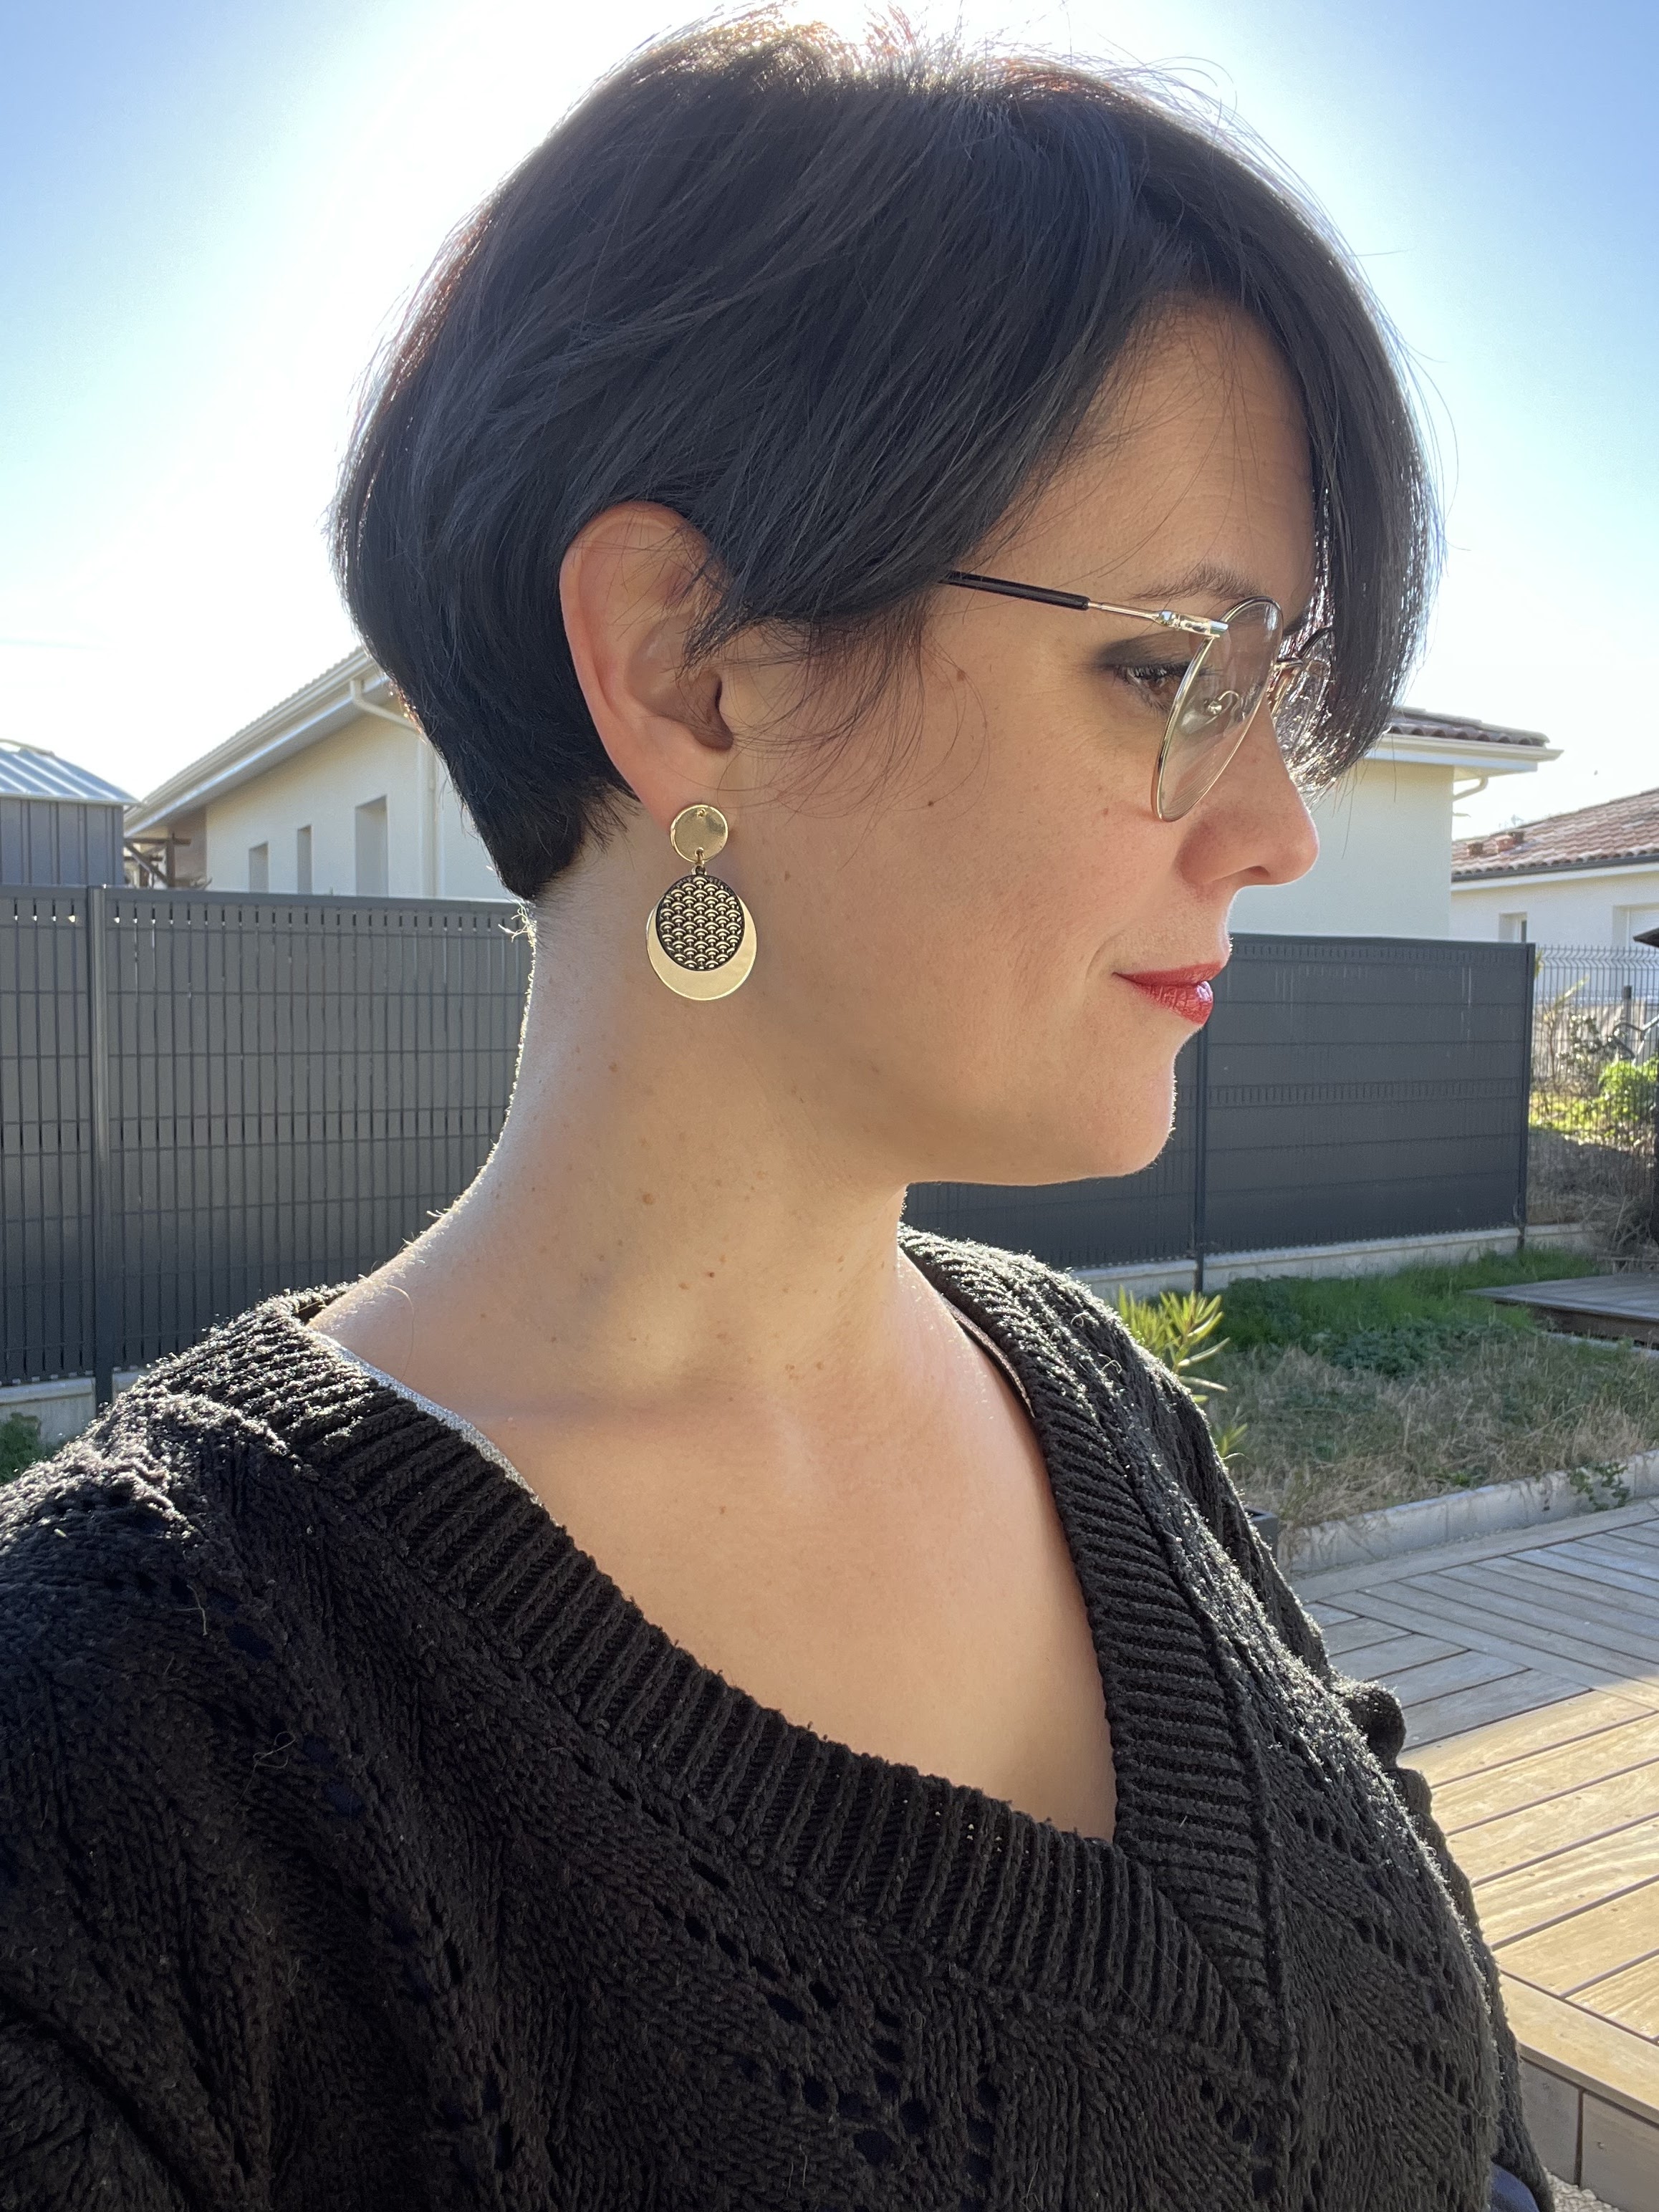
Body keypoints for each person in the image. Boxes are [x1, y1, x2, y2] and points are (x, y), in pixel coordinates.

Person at [0, 19, 1550, 2211]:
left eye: (1275, 689)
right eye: (1168, 669)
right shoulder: (119, 1742)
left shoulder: (1089, 1390)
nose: (1278, 830)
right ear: (690, 665)